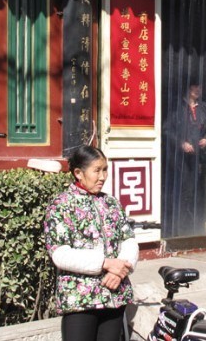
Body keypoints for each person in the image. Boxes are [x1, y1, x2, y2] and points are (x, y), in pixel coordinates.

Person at [45, 146, 137, 341]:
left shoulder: (111, 203)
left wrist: (119, 271)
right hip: (80, 299)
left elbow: (128, 239)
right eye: (97, 170)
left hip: (113, 294)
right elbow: (59, 253)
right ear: (78, 173)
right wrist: (105, 263)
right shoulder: (62, 205)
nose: (103, 176)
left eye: (105, 170)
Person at [164, 82, 206, 237]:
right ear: (187, 88)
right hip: (180, 160)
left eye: (200, 87)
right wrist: (181, 143)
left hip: (198, 158)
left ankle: (194, 226)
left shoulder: (203, 107)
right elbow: (167, 130)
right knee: (183, 191)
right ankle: (180, 228)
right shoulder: (177, 107)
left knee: (196, 190)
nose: (198, 90)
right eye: (194, 87)